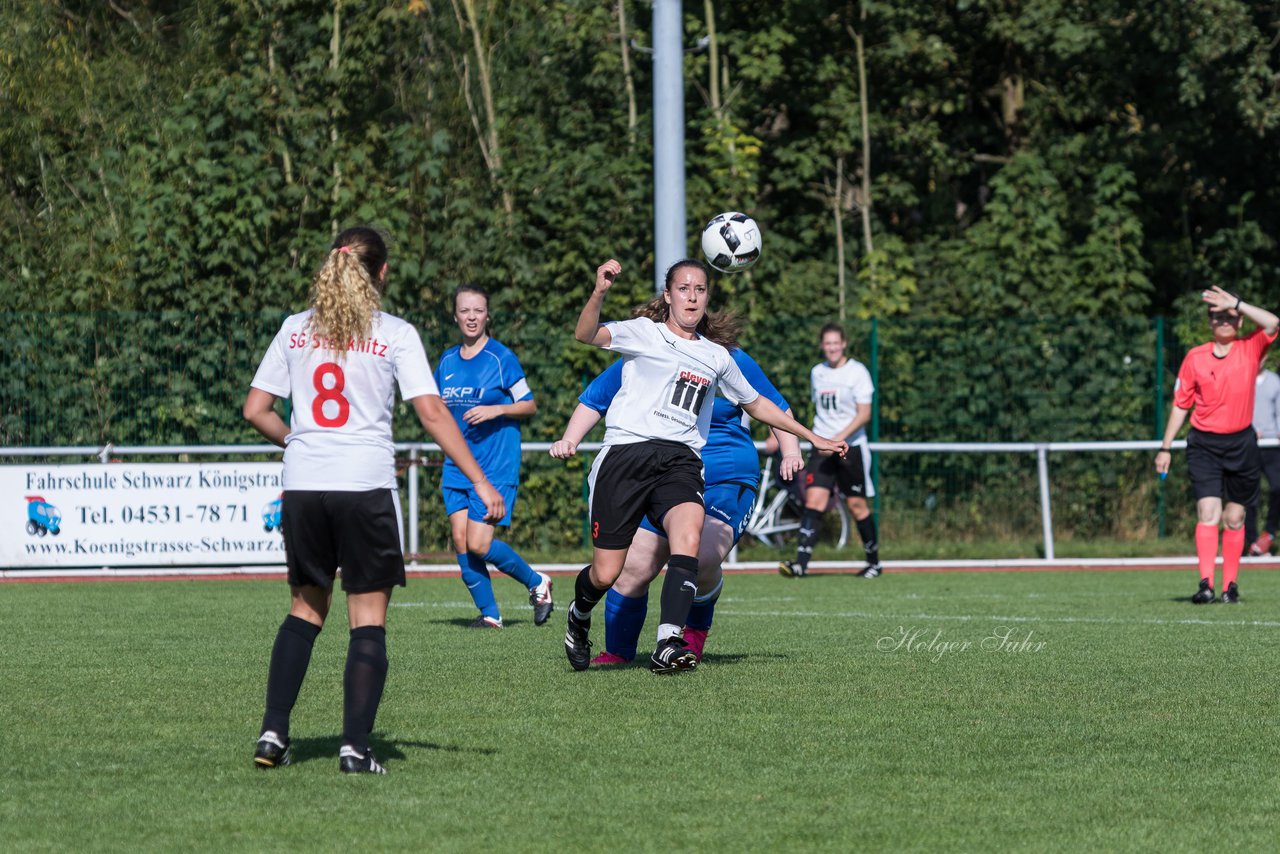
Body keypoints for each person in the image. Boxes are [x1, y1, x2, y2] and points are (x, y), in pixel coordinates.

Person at [243, 227, 503, 774]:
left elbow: (256, 409)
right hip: (363, 486)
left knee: (304, 611)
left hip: (306, 486)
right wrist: (479, 480)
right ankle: (356, 749)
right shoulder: (394, 333)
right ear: (381, 273)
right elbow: (432, 413)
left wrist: (301, 442)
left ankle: (272, 734)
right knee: (367, 623)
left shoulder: (294, 330)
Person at [562, 257, 846, 674]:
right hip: (627, 456)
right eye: (683, 288)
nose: (691, 296)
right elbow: (586, 335)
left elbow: (760, 403)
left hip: (681, 459)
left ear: (707, 298)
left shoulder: (719, 356)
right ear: (668, 296)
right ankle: (579, 614)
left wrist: (809, 437)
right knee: (610, 572)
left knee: (690, 535)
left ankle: (668, 642)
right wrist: (599, 292)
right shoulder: (643, 335)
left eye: (699, 290)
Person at [550, 334, 803, 664]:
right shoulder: (648, 350)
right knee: (633, 567)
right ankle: (617, 652)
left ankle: (688, 634)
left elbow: (774, 406)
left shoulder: (728, 358)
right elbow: (596, 398)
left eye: (698, 292)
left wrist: (791, 449)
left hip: (724, 479)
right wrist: (569, 438)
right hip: (667, 477)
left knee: (702, 554)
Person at [436, 284, 552, 629]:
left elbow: (529, 404)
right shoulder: (446, 361)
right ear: (455, 315)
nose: (472, 317)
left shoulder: (501, 359)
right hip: (457, 465)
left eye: (478, 311)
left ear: (488, 315)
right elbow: (437, 411)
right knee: (461, 541)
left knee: (479, 542)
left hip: (495, 465)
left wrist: (495, 410)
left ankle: (536, 582)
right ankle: (490, 615)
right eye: (465, 311)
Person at [1155, 285, 1279, 604]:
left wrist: (1237, 303)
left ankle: (1230, 586)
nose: (1224, 321)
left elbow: (1272, 323)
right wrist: (1165, 447)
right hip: (1204, 445)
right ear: (1209, 322)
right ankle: (1206, 584)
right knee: (1208, 511)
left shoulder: (1251, 348)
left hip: (1242, 445)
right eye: (1217, 316)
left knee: (1234, 518)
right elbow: (1181, 404)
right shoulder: (1195, 357)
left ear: (1239, 323)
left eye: (1230, 317)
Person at [779, 322, 882, 579]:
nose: (832, 348)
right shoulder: (817, 372)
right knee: (814, 501)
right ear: (822, 346)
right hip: (823, 449)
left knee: (857, 504)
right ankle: (801, 563)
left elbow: (865, 414)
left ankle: (874, 562)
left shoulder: (857, 372)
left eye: (836, 343)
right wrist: (822, 440)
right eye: (827, 343)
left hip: (850, 448)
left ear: (844, 344)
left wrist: (838, 439)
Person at [1245, 359, 1280, 556]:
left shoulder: (1274, 381)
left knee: (1277, 486)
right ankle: (1251, 542)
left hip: (1271, 445)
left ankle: (1269, 533)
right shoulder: (1242, 380)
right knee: (1250, 494)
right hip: (1248, 445)